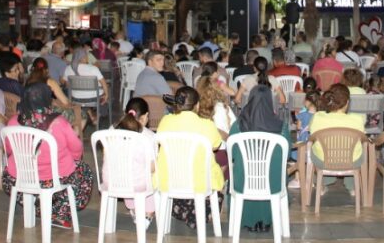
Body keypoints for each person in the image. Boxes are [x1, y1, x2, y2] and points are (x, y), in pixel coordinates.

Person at [2, 81, 94, 229]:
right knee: (84, 172)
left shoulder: (13, 122)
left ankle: (37, 206)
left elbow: (8, 149)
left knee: (10, 174)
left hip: (18, 179)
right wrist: (72, 161)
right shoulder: (59, 122)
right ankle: (57, 213)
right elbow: (77, 149)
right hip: (52, 180)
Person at [156, 86, 225, 229]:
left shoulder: (165, 121)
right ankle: (197, 211)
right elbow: (216, 145)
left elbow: (158, 141)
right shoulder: (206, 124)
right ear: (197, 105)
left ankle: (183, 207)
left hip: (170, 179)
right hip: (199, 182)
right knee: (216, 184)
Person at [228, 85, 292, 233]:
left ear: (249, 100)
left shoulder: (237, 126)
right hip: (273, 185)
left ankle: (247, 219)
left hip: (243, 183)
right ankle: (267, 219)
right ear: (271, 101)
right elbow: (286, 155)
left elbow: (232, 155)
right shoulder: (282, 127)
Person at [309, 84, 365, 197]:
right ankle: (353, 187)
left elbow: (311, 135)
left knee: (318, 150)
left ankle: (321, 184)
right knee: (355, 151)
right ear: (348, 102)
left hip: (323, 161)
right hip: (351, 162)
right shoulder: (358, 119)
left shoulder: (317, 117)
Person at [110, 99, 156, 222]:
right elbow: (152, 168)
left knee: (129, 172)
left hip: (116, 181)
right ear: (146, 116)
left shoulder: (111, 130)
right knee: (150, 175)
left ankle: (134, 209)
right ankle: (148, 213)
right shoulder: (149, 136)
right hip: (139, 184)